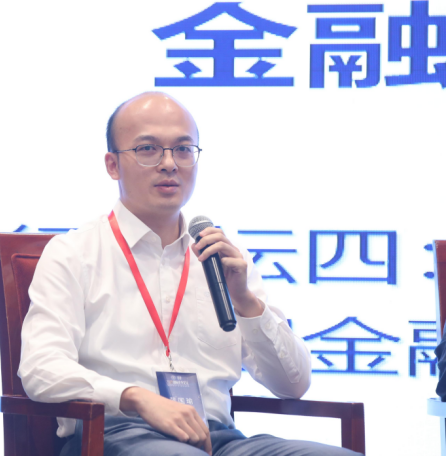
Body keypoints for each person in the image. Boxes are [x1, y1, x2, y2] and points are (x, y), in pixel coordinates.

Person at [18, 92, 362, 456]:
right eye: (148, 149)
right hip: (115, 436)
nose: (169, 164)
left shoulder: (222, 258)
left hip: (218, 439)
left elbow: (294, 384)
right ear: (113, 165)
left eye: (183, 150)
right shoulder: (75, 252)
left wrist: (245, 301)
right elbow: (41, 368)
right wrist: (137, 398)